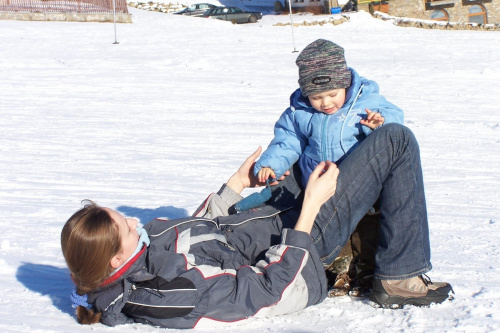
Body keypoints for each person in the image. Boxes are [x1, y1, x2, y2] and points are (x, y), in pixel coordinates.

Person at [61, 124, 453, 329]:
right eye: (126, 226)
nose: (134, 221)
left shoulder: (140, 253)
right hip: (303, 254)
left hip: (274, 227)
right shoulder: (177, 294)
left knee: (311, 155)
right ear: (115, 260)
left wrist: (234, 187)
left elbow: (195, 233)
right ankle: (397, 277)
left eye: (122, 215)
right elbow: (265, 290)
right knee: (396, 142)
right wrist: (310, 209)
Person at [253, 38, 403, 297]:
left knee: (366, 227)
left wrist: (379, 124)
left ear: (345, 83)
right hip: (322, 187)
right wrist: (270, 164)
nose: (325, 103)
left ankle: (367, 270)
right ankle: (337, 272)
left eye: (332, 94)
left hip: (362, 183)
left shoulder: (365, 101)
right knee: (332, 230)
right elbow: (286, 141)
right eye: (316, 97)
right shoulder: (299, 113)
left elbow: (395, 124)